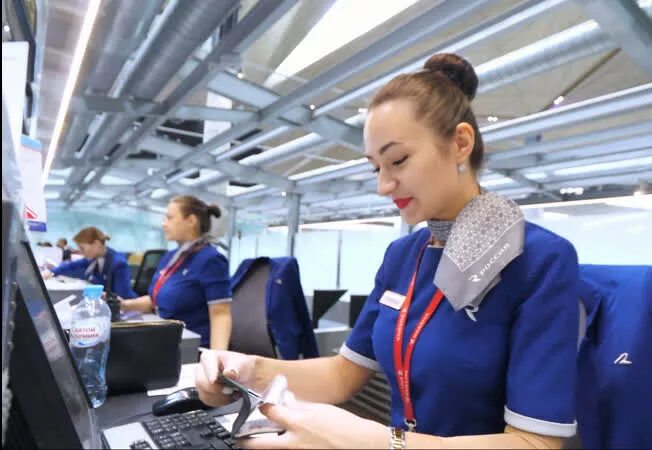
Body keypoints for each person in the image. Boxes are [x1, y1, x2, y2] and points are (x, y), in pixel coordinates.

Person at [195, 53, 580, 449]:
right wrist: (248, 370)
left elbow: (537, 443)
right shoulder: (402, 255)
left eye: (398, 160)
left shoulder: (539, 260)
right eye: (376, 167)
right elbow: (344, 373)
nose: (383, 186)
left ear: (461, 143)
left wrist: (382, 443)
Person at [121, 195, 233, 350]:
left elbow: (220, 313)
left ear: (191, 221)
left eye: (169, 218)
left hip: (190, 348)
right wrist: (124, 305)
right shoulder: (170, 257)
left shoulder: (211, 260)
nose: (163, 224)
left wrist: (216, 357)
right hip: (163, 339)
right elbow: (155, 300)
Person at [43, 227, 137, 299]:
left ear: (96, 244)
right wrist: (51, 272)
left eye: (82, 248)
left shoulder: (119, 264)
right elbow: (71, 266)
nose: (80, 252)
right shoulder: (93, 259)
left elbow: (123, 296)